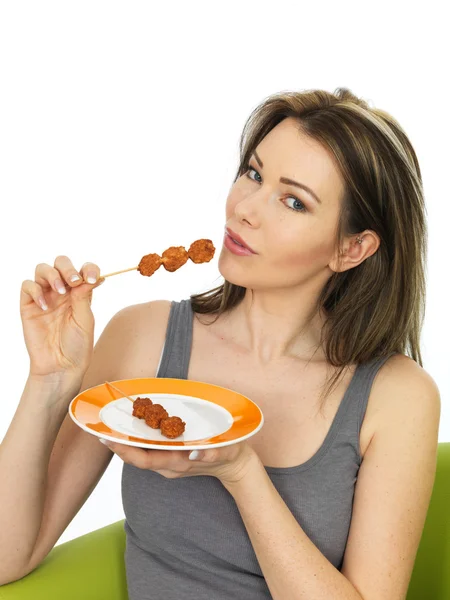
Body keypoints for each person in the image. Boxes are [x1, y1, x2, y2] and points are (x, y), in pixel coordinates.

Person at [0, 87, 440, 599]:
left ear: (352, 248)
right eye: (253, 174)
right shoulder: (142, 339)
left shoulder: (397, 396)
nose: (245, 209)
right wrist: (50, 381)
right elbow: (8, 556)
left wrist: (241, 472)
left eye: (293, 201)